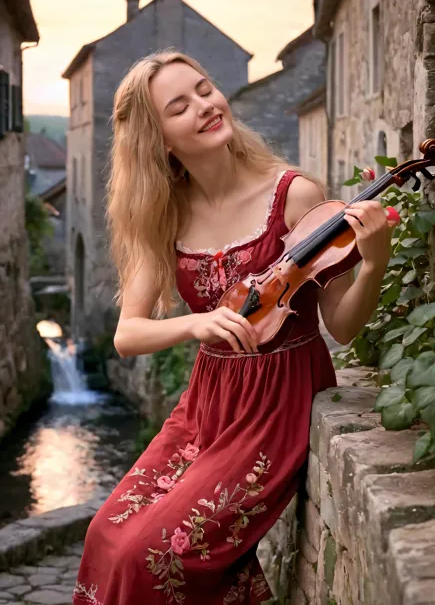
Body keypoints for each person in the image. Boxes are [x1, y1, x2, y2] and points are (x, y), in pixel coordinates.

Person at [73, 51, 395, 605]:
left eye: (204, 89)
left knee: (152, 553)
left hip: (278, 401)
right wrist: (196, 323)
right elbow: (129, 334)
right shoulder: (166, 213)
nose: (205, 106)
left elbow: (341, 324)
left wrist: (375, 261)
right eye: (180, 107)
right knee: (105, 535)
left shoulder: (294, 195)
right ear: (160, 141)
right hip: (207, 404)